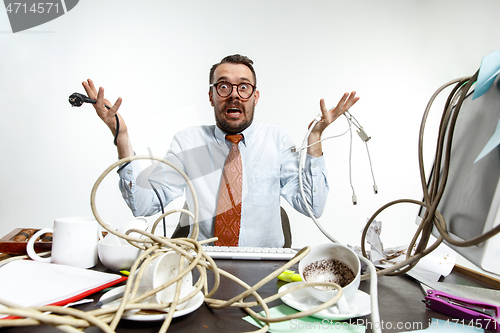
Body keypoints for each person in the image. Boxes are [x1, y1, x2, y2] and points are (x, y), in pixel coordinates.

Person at [82, 54, 359, 247]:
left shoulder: (275, 141)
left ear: (255, 96)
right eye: (224, 86)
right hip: (202, 265)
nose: (235, 94)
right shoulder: (192, 144)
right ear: (212, 95)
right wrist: (122, 136)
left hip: (265, 266)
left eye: (244, 87)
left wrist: (316, 137)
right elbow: (144, 205)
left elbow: (313, 206)